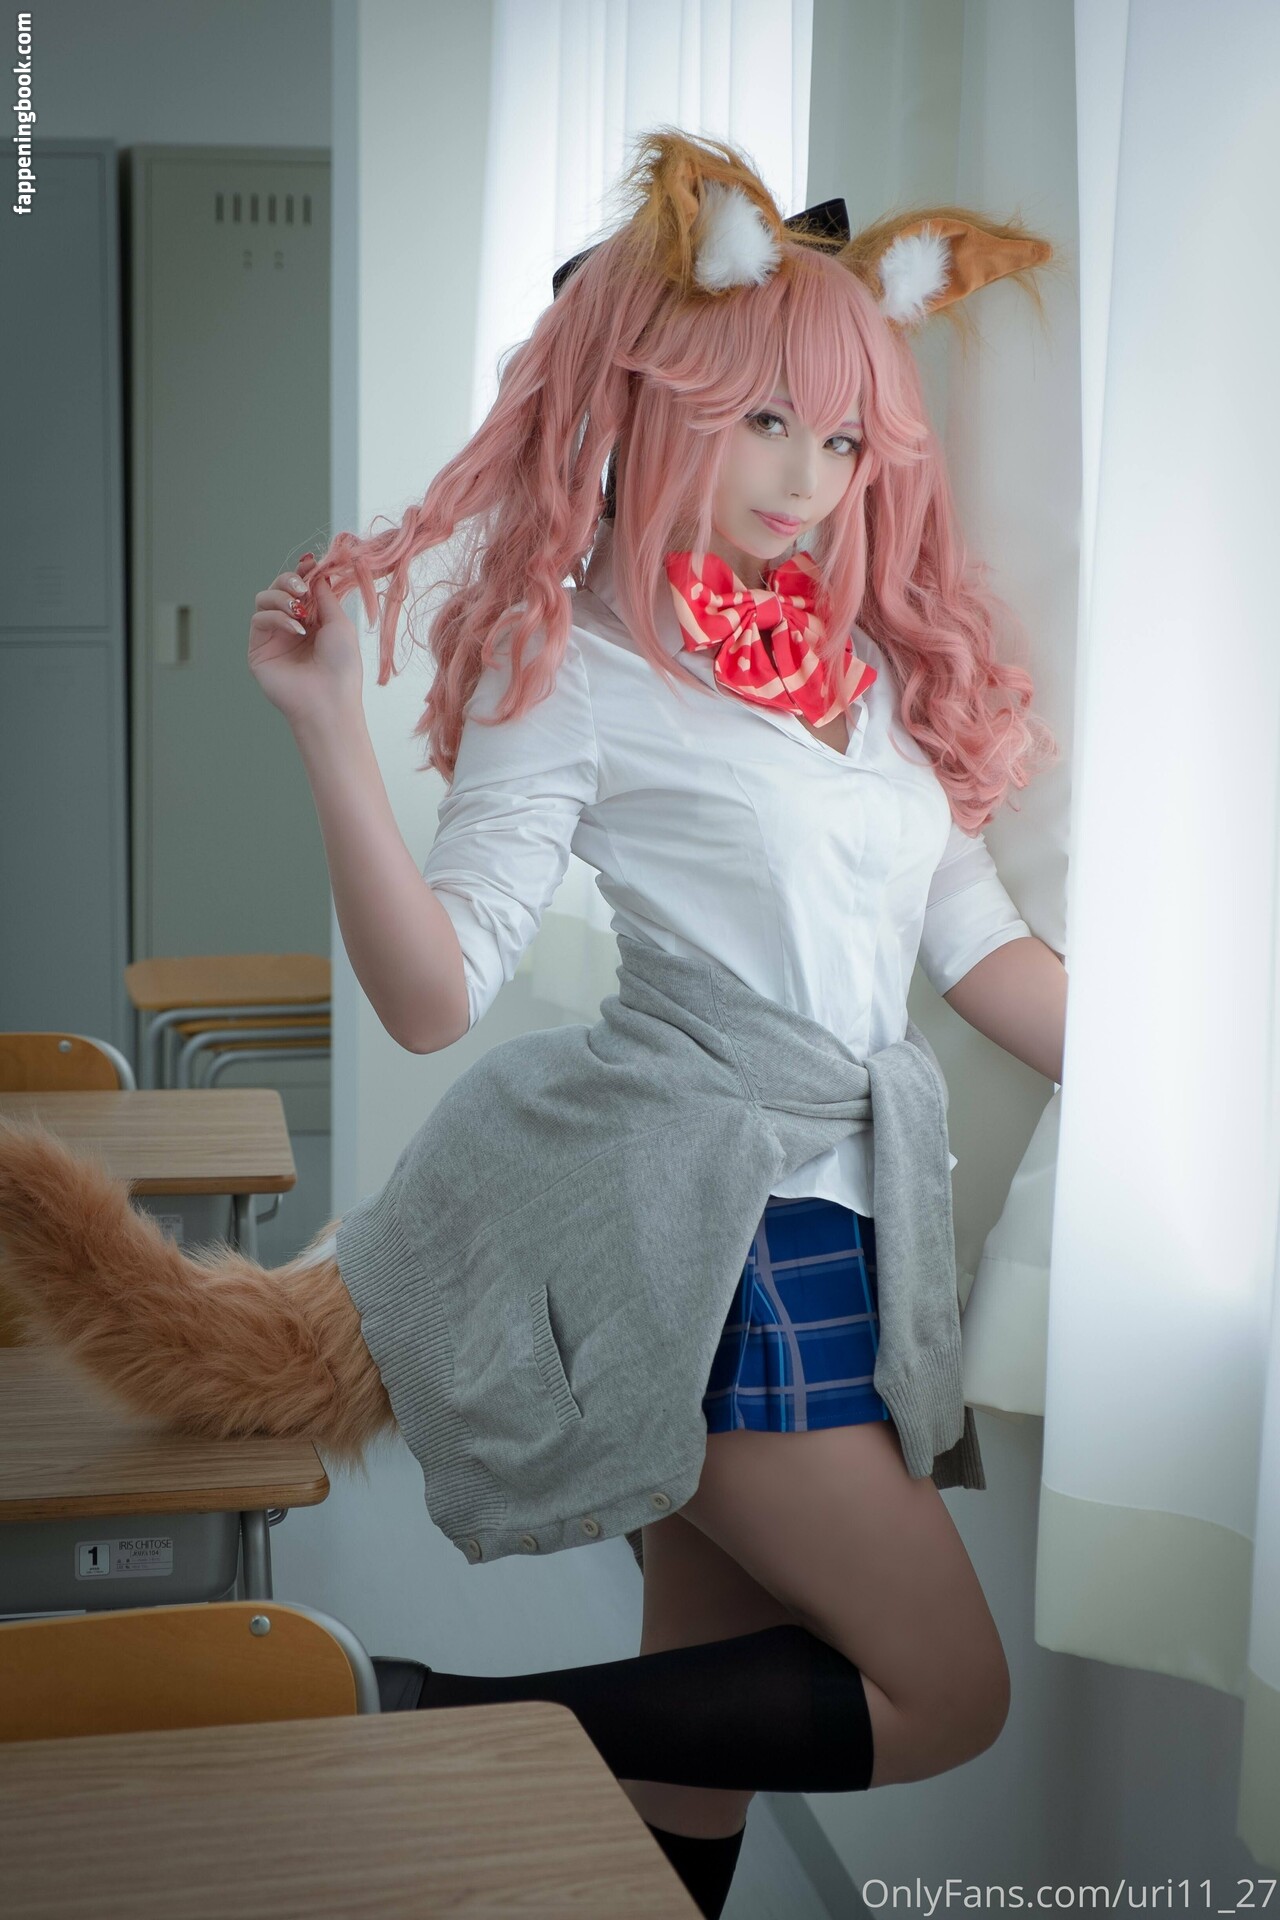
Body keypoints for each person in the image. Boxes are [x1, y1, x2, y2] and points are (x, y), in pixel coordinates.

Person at [168, 129, 1067, 1918]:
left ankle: (417, 1719)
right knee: (950, 1693)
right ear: (661, 406)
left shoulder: (860, 672)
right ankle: (410, 1714)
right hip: (709, 1235)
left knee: (688, 1761)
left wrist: (1209, 1083)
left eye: (842, 437)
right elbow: (435, 995)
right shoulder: (570, 663)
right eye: (764, 423)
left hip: (851, 1231)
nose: (808, 479)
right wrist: (332, 732)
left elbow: (979, 952)